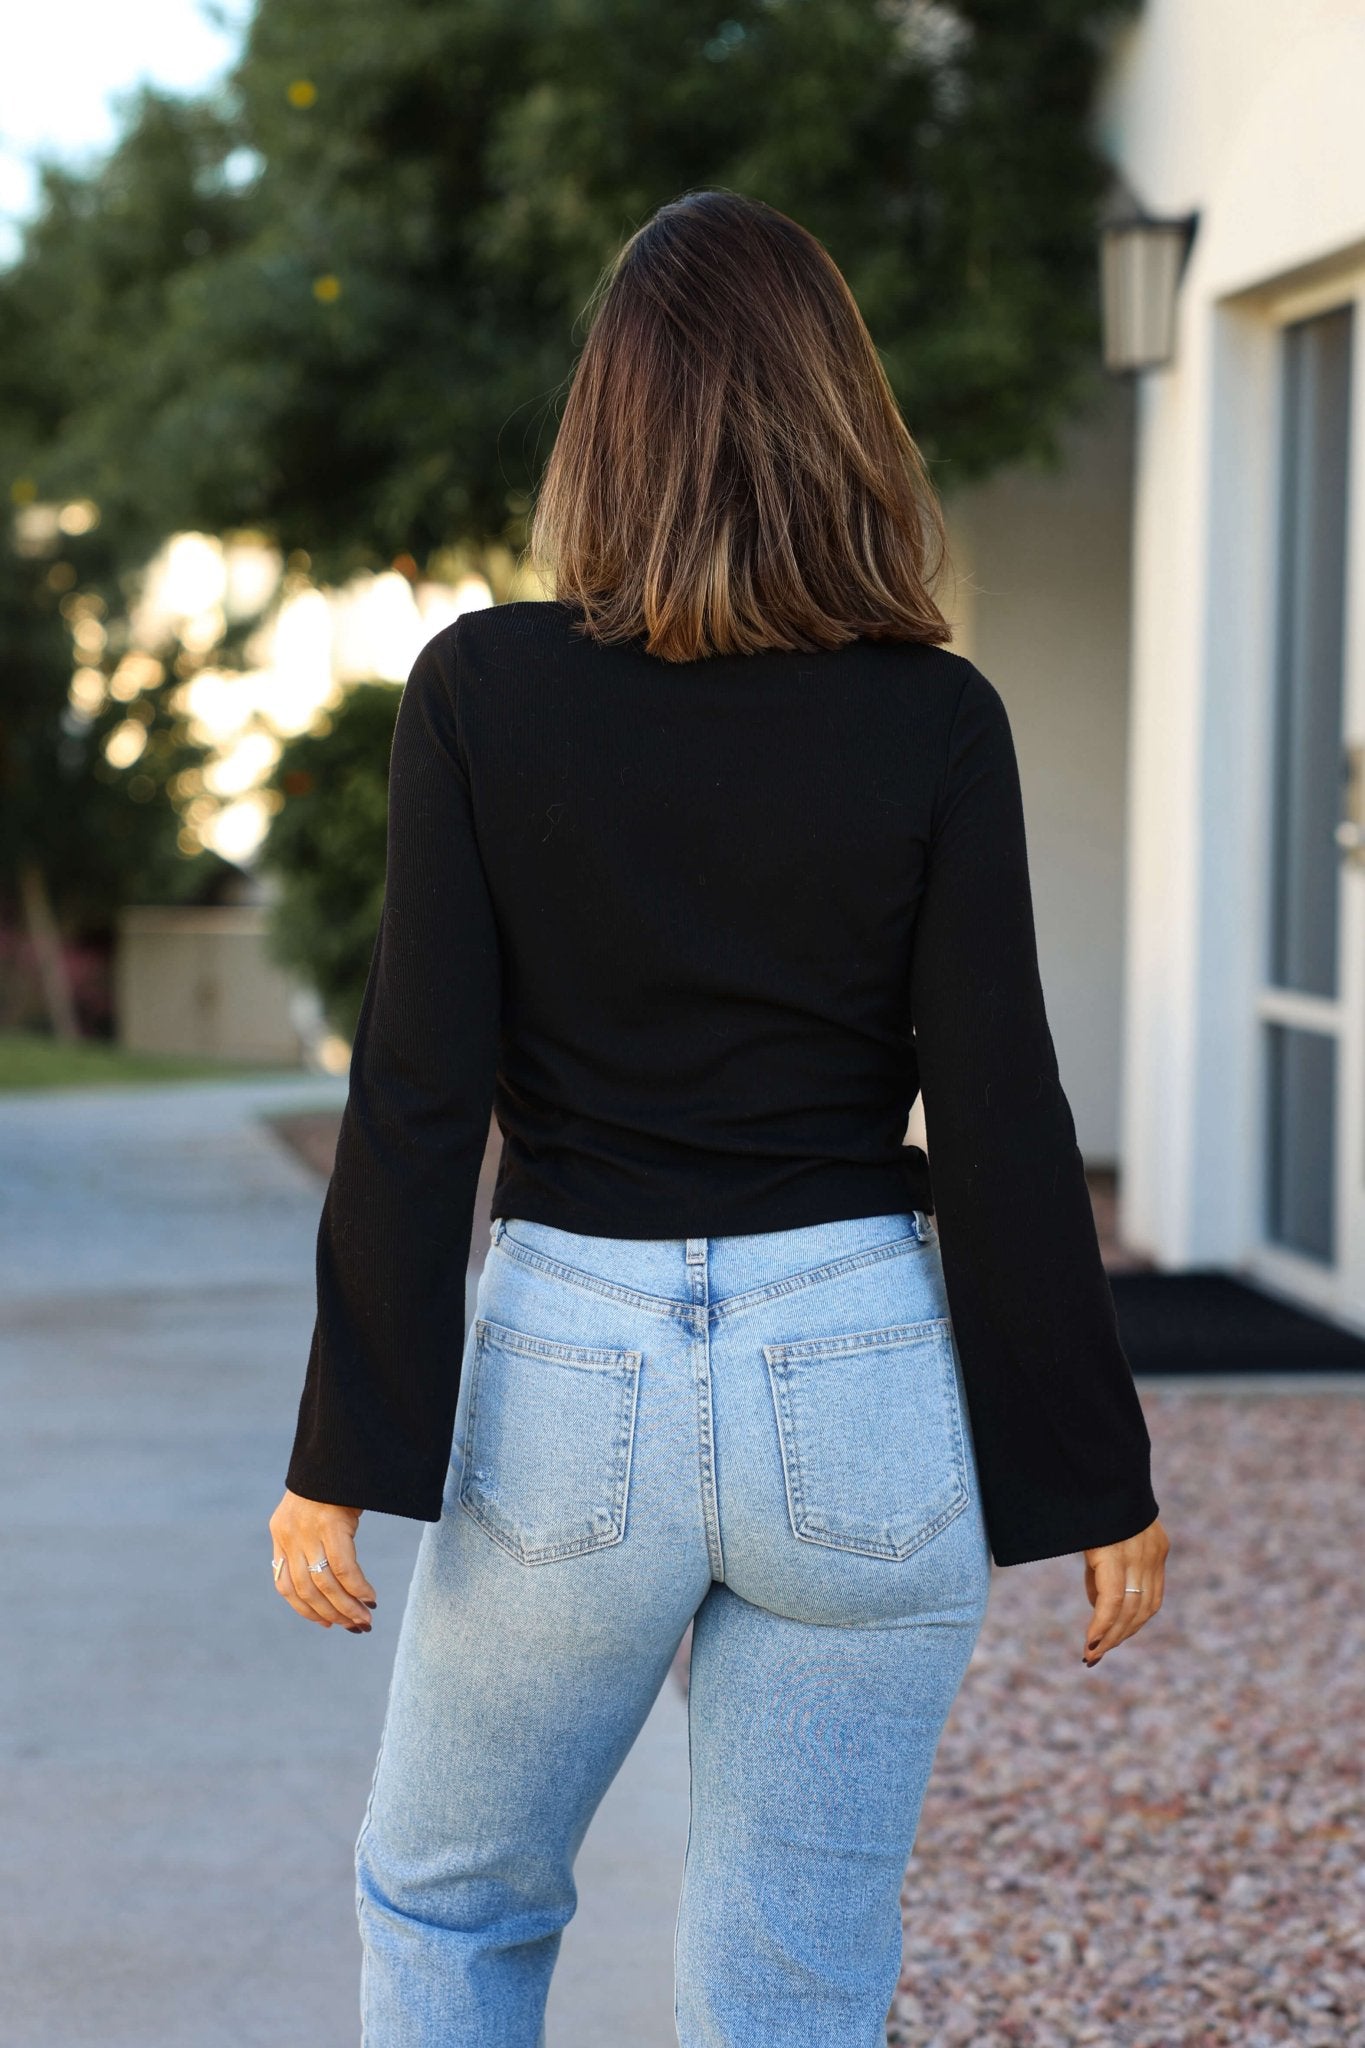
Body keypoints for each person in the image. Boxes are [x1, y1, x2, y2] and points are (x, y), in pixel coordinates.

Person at [268, 188, 1168, 2047]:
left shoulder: (480, 692)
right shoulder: (933, 719)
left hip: (572, 1378)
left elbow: (418, 1092)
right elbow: (1005, 1111)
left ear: (605, 427)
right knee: (792, 1975)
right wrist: (1092, 1474)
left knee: (450, 1899)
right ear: (843, 418)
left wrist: (343, 1448)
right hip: (852, 1369)